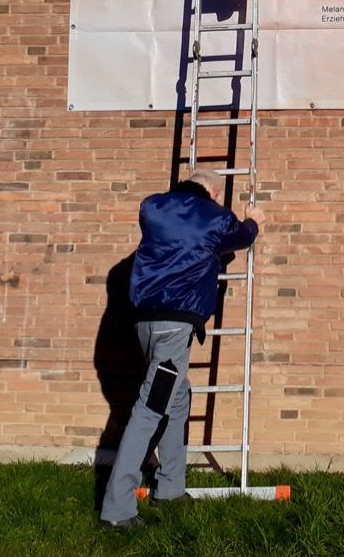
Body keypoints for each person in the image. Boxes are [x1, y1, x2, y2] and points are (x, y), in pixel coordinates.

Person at [99, 168, 265, 529]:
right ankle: (117, 511)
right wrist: (253, 221)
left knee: (178, 398)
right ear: (215, 192)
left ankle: (171, 487)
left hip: (145, 323)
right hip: (175, 328)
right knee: (149, 409)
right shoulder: (215, 217)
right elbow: (239, 237)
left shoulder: (153, 207)